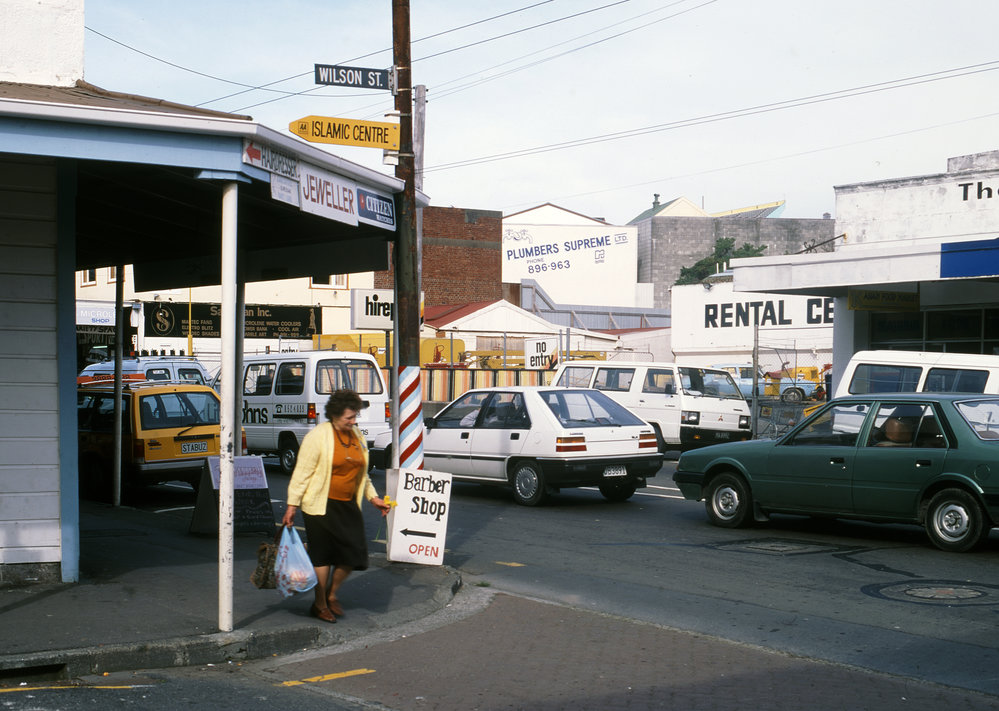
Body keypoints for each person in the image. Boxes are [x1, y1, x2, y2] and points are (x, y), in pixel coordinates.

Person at [281, 389, 391, 623]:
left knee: (354, 555)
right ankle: (319, 605)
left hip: (348, 505)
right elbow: (302, 473)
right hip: (319, 507)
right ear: (335, 415)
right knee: (323, 557)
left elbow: (363, 474)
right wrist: (292, 505)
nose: (353, 422)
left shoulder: (357, 436)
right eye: (348, 418)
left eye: (354, 417)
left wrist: (374, 498)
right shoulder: (318, 436)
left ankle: (331, 594)